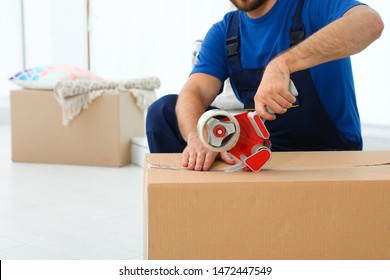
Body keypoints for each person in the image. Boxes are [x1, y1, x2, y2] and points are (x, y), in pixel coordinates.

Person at [146, 0, 384, 171]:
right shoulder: (224, 32)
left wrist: (282, 65)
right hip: (264, 150)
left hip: (327, 151)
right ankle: (193, 216)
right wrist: (197, 137)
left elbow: (370, 23)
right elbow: (194, 90)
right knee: (163, 111)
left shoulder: (312, 5)